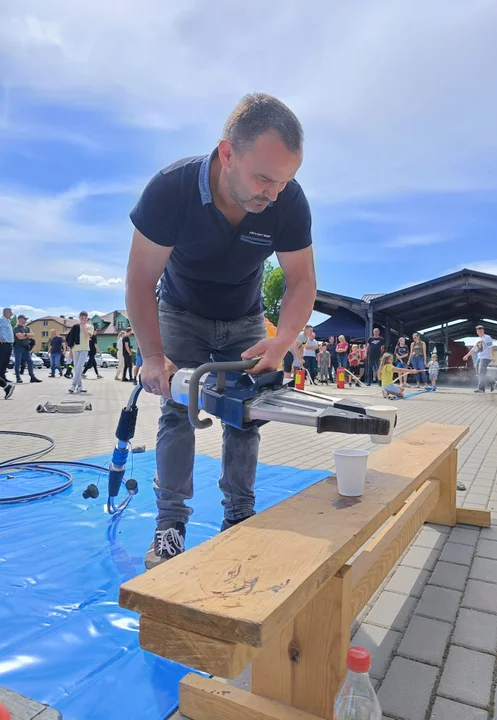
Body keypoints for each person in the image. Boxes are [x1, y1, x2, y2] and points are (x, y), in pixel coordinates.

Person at [125, 93, 315, 569]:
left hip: (245, 317)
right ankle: (170, 526)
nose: (273, 195)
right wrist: (152, 357)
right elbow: (140, 281)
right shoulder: (172, 190)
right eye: (264, 178)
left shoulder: (287, 200)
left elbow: (301, 280)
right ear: (227, 153)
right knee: (176, 409)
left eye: (285, 182)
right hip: (180, 311)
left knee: (245, 414)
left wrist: (282, 340)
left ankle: (240, 517)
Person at [65, 311, 93, 394]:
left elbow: (87, 336)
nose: (83, 318)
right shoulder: (75, 327)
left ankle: (73, 385)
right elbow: (71, 340)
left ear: (87, 318)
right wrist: (70, 352)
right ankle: (80, 386)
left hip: (84, 349)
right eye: (82, 317)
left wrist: (84, 326)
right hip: (75, 349)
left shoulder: (90, 326)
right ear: (79, 317)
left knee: (80, 367)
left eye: (85, 317)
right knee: (77, 368)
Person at [463, 324, 495, 393]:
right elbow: (474, 349)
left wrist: (492, 356)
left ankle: (480, 388)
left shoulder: (487, 338)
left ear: (483, 331)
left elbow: (490, 347)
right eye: (478, 331)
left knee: (481, 372)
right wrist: (467, 355)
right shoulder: (479, 340)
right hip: (480, 357)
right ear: (477, 332)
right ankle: (491, 382)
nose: (480, 332)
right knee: (479, 373)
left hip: (486, 357)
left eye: (481, 331)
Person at [13, 315, 41, 384]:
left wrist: (24, 334)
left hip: (25, 347)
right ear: (19, 319)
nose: (25, 320)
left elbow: (33, 335)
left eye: (26, 319)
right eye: (24, 319)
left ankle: (32, 377)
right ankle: (18, 377)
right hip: (18, 347)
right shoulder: (16, 328)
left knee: (30, 362)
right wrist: (28, 335)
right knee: (18, 362)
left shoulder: (27, 327)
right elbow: (19, 337)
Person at [0, 308, 14, 394]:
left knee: (5, 362)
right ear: (5, 313)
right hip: (3, 344)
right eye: (10, 312)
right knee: (1, 361)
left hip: (9, 344)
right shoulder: (1, 320)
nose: (11, 314)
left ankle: (2, 377)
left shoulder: (8, 322)